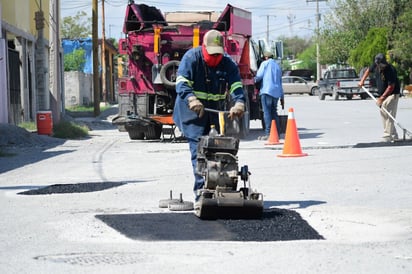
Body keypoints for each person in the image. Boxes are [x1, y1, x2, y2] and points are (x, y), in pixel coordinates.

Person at [173, 29, 246, 198]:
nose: (215, 58)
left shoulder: (227, 63)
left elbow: (235, 85)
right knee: (199, 151)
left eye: (218, 54)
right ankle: (202, 194)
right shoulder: (191, 58)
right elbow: (182, 83)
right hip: (192, 114)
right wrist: (191, 99)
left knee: (218, 150)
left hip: (214, 113)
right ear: (203, 47)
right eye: (211, 54)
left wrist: (239, 102)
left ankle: (220, 188)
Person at [359, 53, 401, 142]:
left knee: (389, 112)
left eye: (381, 65)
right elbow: (368, 71)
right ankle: (393, 134)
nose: (380, 67)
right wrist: (362, 81)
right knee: (383, 112)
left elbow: (391, 87)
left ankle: (387, 135)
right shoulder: (376, 65)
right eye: (378, 65)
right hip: (382, 94)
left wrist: (381, 98)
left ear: (384, 63)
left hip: (392, 93)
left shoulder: (390, 70)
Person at [254, 51, 284, 140]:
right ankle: (277, 133)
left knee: (266, 113)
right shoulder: (278, 66)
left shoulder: (265, 64)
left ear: (266, 57)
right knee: (274, 112)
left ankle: (268, 133)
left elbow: (259, 76)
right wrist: (282, 97)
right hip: (276, 93)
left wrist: (253, 80)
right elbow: (280, 82)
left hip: (266, 91)